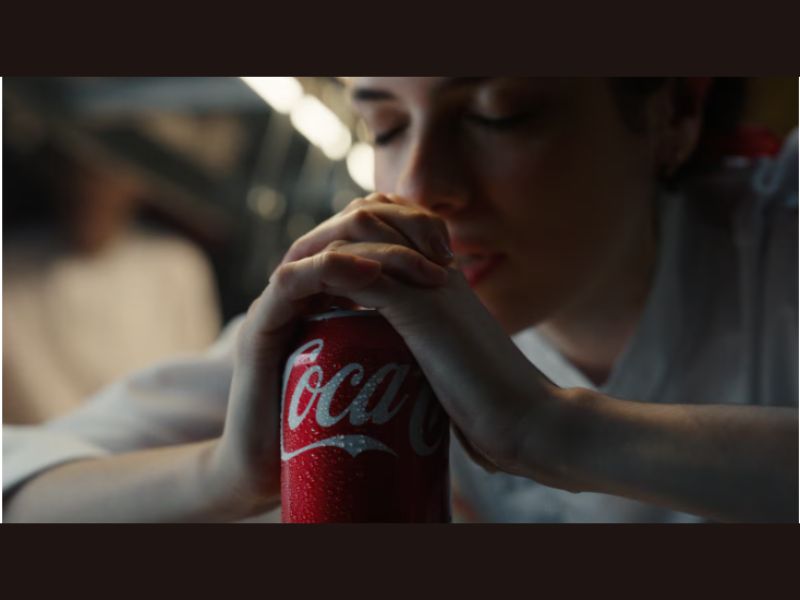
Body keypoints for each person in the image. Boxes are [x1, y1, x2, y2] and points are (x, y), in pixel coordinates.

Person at [3, 78, 797, 523]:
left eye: (499, 115)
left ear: (672, 115)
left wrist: (554, 431)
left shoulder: (778, 241)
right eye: (384, 127)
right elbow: (20, 484)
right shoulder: (368, 317)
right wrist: (224, 474)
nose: (418, 186)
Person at [3, 144, 222, 423]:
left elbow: (198, 387)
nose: (90, 190)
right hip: (51, 458)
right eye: (77, 174)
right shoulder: (10, 269)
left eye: (105, 176)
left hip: (159, 451)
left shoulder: (177, 265)